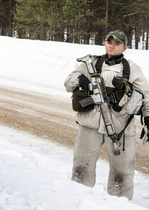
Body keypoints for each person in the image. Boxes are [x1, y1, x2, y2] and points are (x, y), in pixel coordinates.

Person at [64, 30, 149, 200]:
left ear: (125, 47)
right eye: (109, 42)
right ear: (105, 43)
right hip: (90, 123)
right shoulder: (91, 63)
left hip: (120, 127)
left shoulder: (131, 68)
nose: (112, 46)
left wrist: (147, 118)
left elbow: (145, 95)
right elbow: (68, 83)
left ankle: (120, 205)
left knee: (122, 172)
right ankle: (77, 200)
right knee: (82, 165)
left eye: (117, 43)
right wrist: (79, 79)